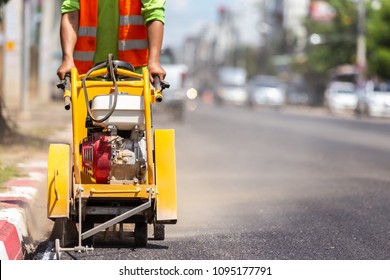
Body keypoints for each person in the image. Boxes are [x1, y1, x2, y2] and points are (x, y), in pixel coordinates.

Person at [57, 0, 166, 83]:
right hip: (88, 76)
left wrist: (154, 62)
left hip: (134, 75)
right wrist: (67, 59)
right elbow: (71, 15)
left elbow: (154, 14)